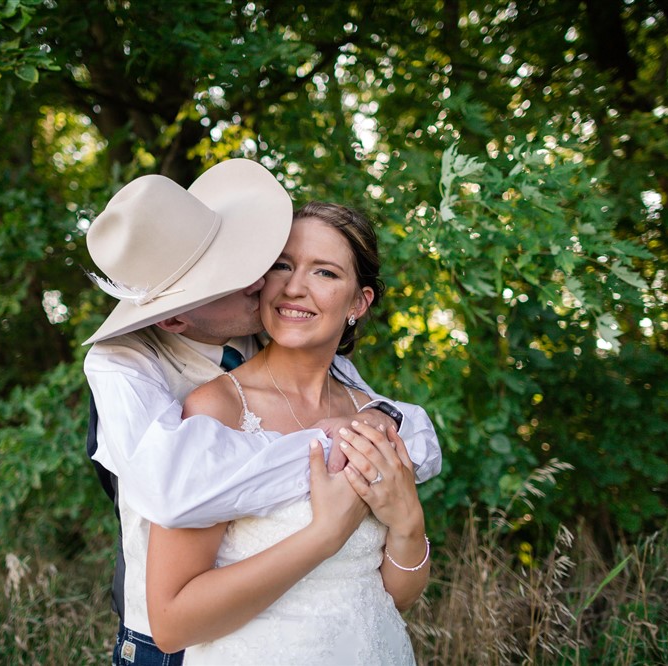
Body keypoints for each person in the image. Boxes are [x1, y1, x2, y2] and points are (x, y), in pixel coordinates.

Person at [83, 160, 441, 665]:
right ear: (176, 317)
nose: (273, 284)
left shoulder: (330, 376)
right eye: (279, 266)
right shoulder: (131, 371)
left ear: (358, 302)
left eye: (258, 261)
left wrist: (406, 517)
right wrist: (335, 469)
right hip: (171, 638)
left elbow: (391, 596)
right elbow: (176, 485)